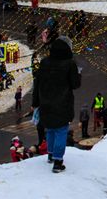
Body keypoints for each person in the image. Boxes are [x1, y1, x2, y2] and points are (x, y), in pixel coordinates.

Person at [30, 35, 81, 173]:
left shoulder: (45, 62)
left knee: (50, 129)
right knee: (61, 131)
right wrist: (78, 74)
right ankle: (58, 162)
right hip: (62, 104)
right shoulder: (70, 64)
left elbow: (37, 83)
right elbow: (75, 84)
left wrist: (35, 102)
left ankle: (51, 155)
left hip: (45, 103)